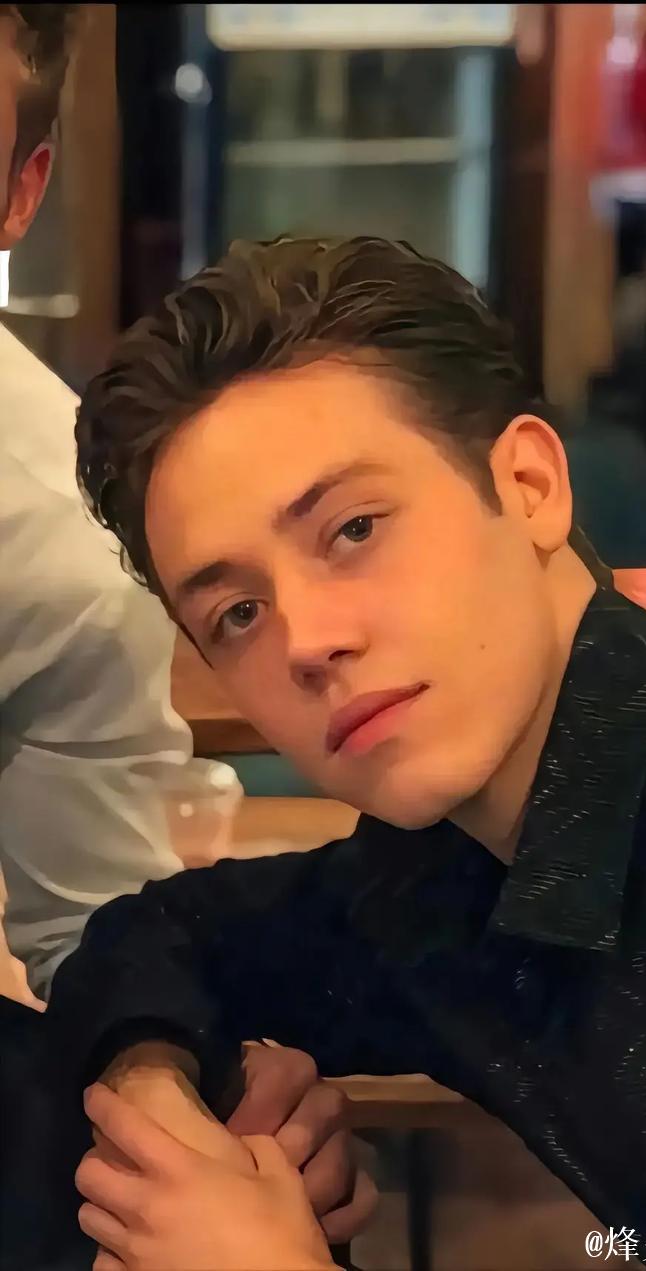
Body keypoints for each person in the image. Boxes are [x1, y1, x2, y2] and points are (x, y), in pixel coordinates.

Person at [49, 235, 646, 1269]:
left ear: (530, 483)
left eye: (354, 528)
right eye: (237, 612)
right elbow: (154, 935)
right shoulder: (440, 878)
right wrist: (167, 1116)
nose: (306, 640)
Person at [0, 12, 373, 1268]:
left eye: (356, 527)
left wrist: (189, 1104)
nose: (320, 637)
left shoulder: (50, 547)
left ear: (19, 193)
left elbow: (104, 932)